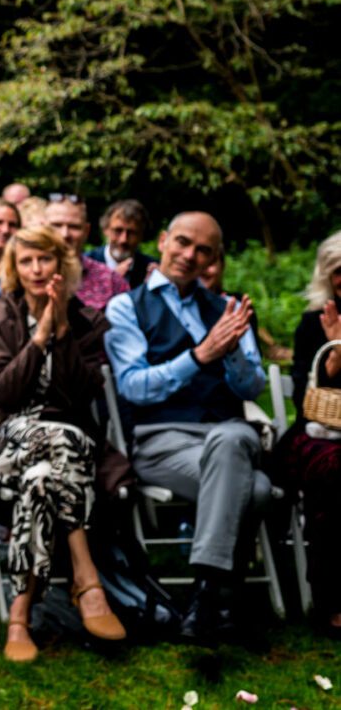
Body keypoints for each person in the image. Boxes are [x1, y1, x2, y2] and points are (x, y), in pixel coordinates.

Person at [104, 211, 267, 644]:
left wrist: (230, 351)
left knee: (233, 437)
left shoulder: (227, 309)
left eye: (203, 250)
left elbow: (253, 385)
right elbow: (133, 387)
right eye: (182, 242)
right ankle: (222, 596)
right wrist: (200, 355)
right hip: (163, 442)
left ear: (213, 258)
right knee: (258, 489)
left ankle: (204, 595)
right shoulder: (127, 306)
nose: (189, 255)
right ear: (162, 241)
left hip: (227, 436)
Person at [0, 226, 126, 662]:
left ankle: (20, 614)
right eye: (27, 261)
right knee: (57, 440)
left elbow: (80, 394)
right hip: (2, 438)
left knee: (41, 476)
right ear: (15, 269)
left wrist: (62, 331)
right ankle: (85, 574)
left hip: (63, 443)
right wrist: (40, 338)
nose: (37, 269)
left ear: (62, 264)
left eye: (46, 259)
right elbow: (4, 393)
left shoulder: (87, 320)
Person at [277, 230, 341, 632]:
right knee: (335, 469)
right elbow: (306, 397)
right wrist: (336, 353)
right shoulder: (313, 322)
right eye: (340, 273)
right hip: (318, 435)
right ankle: (332, 599)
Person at [44, 194, 130, 311]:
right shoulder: (29, 276)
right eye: (57, 225)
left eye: (74, 227)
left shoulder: (111, 281)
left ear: (86, 231)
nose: (65, 234)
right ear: (42, 228)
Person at [94, 198, 156, 287]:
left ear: (141, 235)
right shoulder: (86, 265)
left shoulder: (151, 269)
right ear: (105, 230)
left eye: (131, 233)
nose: (123, 240)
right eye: (118, 231)